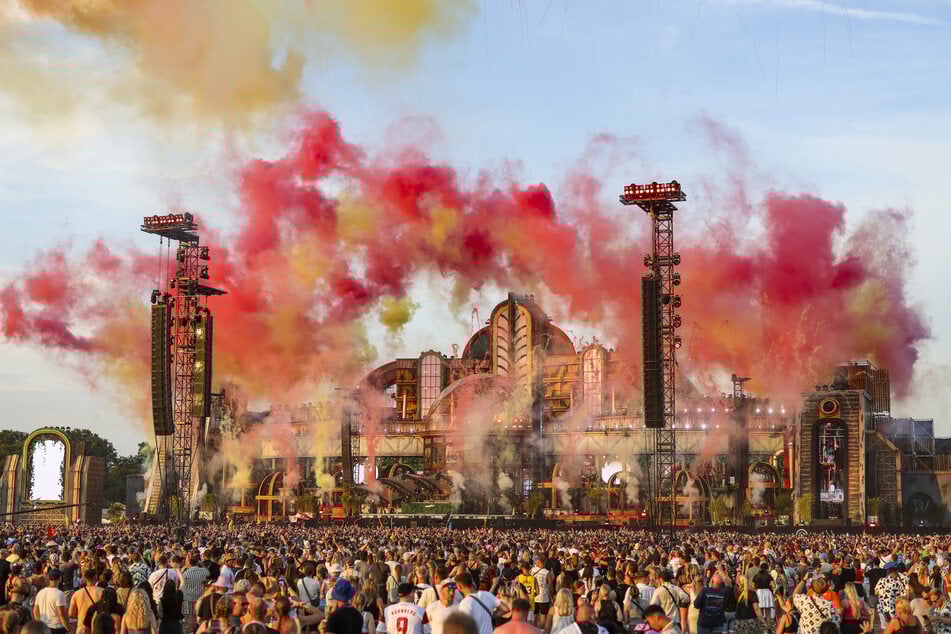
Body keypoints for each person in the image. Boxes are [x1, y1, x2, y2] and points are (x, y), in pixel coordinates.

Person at [33, 569, 68, 634]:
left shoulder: (41, 592)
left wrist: (40, 625)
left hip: (44, 627)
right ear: (60, 578)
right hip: (56, 628)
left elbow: (35, 611)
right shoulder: (59, 594)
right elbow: (61, 614)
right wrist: (68, 628)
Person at [71, 569, 105, 634]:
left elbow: (71, 614)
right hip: (97, 627)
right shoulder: (103, 592)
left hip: (82, 626)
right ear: (95, 577)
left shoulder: (77, 593)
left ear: (85, 578)